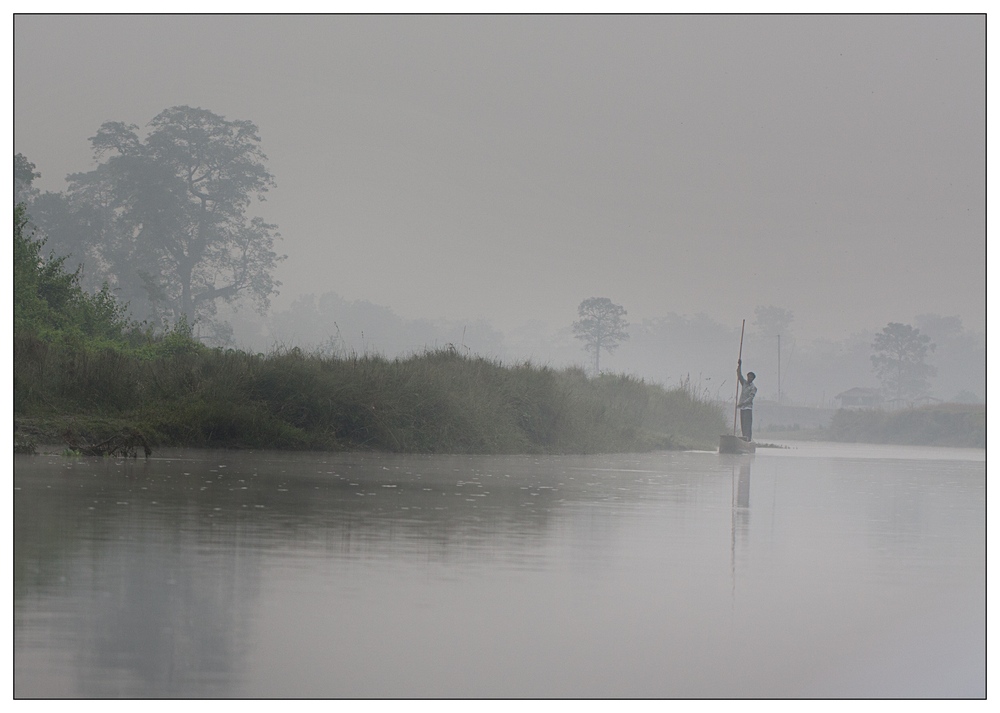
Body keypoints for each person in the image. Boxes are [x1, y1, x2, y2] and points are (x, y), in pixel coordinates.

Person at [737, 359, 756, 441]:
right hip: (742, 408)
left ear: (753, 379)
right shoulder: (744, 383)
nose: (749, 378)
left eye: (751, 377)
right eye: (748, 376)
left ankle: (748, 439)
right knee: (743, 424)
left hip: (748, 408)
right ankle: (744, 438)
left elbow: (750, 398)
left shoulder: (753, 388)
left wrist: (742, 403)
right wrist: (739, 365)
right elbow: (739, 375)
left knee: (747, 424)